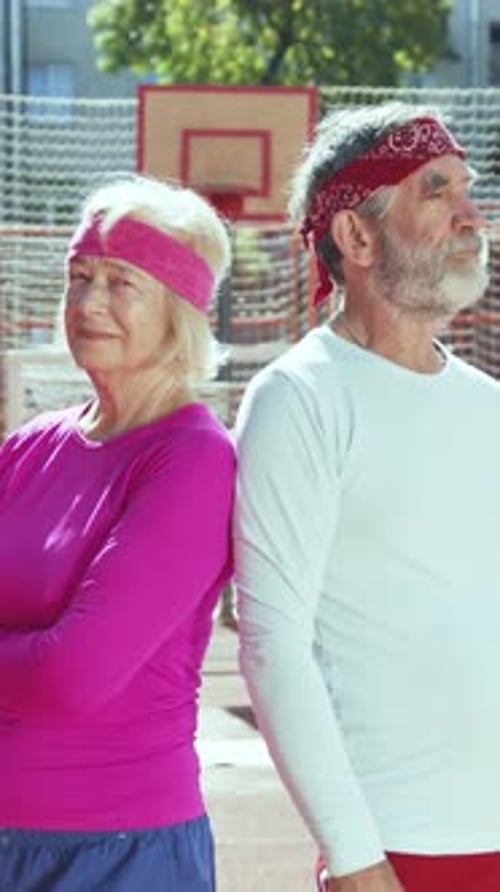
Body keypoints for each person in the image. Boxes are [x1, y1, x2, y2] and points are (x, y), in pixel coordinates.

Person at [233, 102, 500, 892]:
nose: (471, 215)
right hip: (403, 848)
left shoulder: (489, 402)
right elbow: (271, 643)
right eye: (435, 191)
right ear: (355, 237)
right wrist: (352, 857)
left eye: (467, 188)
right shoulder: (300, 399)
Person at [0, 174, 235, 890]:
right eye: (78, 277)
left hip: (114, 853)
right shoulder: (31, 443)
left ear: (179, 309)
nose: (87, 302)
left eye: (120, 282)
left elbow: (76, 674)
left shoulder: (193, 459)